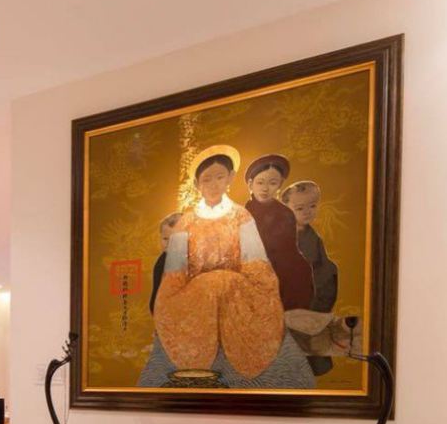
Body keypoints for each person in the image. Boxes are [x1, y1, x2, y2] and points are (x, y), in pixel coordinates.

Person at [138, 145, 315, 389]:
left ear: (230, 178)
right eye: (206, 179)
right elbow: (175, 274)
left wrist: (247, 287)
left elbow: (256, 265)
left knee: (236, 292)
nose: (213, 184)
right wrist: (180, 296)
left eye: (219, 177)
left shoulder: (241, 216)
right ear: (197, 184)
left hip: (238, 292)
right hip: (194, 298)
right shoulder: (186, 222)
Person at [281, 180, 339, 376]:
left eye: (312, 206)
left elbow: (325, 271)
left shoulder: (314, 239)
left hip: (312, 299)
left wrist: (318, 303)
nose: (307, 212)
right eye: (299, 208)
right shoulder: (280, 237)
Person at [245, 154, 314, 310]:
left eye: (272, 183)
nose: (265, 188)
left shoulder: (285, 213)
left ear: (280, 184)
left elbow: (289, 246)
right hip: (253, 261)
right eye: (260, 182)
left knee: (300, 269)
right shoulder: (243, 213)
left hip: (282, 261)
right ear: (250, 184)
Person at [149, 212, 182, 314]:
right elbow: (156, 294)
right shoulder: (162, 261)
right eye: (165, 239)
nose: (169, 244)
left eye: (175, 239)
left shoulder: (194, 261)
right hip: (164, 314)